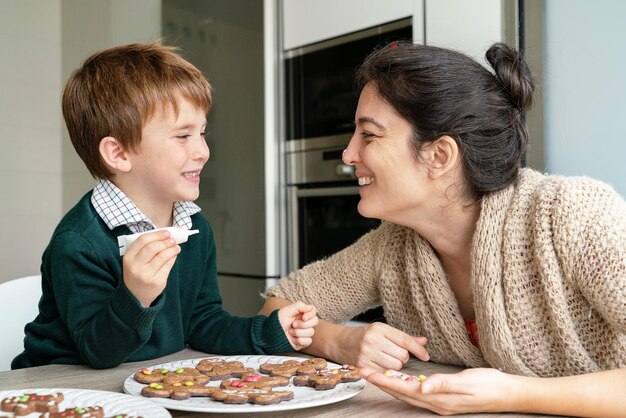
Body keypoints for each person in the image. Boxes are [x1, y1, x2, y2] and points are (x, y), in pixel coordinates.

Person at [261, 41, 626, 416]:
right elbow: (278, 305)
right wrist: (339, 341)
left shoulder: (571, 214)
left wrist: (512, 393)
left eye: (368, 135)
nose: (349, 154)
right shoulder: (395, 247)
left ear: (439, 156)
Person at [12, 41, 318, 370]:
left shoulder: (195, 228)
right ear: (119, 154)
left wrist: (269, 331)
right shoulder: (79, 241)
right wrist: (136, 294)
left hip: (145, 381)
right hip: (60, 388)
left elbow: (203, 323)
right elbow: (99, 353)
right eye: (183, 136)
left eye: (202, 133)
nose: (203, 151)